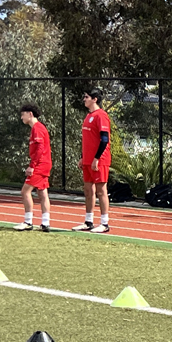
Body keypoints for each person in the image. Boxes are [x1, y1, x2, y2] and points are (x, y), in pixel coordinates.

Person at [72, 88, 113, 233]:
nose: (84, 99)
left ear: (95, 99)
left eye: (86, 97)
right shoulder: (88, 116)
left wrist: (96, 158)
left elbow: (104, 139)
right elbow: (88, 140)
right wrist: (83, 157)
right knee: (88, 191)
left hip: (99, 160)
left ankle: (104, 223)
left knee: (101, 191)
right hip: (88, 160)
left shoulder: (101, 116)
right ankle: (88, 221)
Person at [13, 103, 53, 233]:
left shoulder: (37, 128)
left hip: (40, 165)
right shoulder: (37, 128)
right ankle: (45, 223)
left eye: (23, 114)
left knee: (25, 191)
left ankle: (28, 222)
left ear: (30, 114)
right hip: (44, 164)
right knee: (42, 193)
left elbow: (40, 148)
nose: (21, 117)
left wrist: (32, 166)